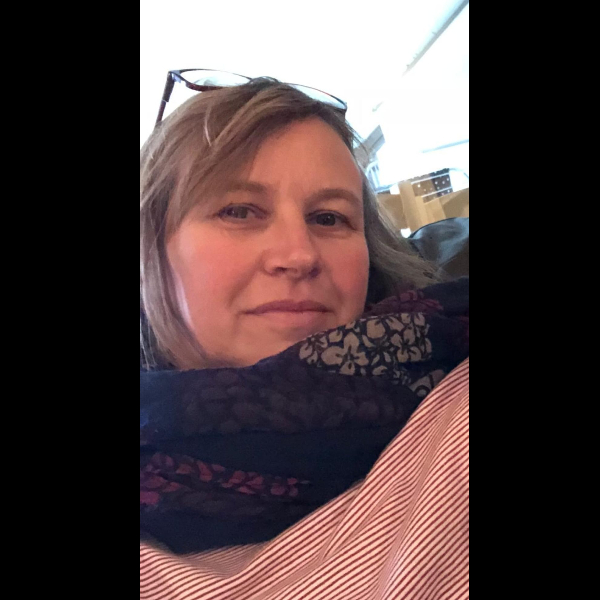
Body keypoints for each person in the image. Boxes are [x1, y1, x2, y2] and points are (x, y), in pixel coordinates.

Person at [140, 75, 469, 598]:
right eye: (239, 211)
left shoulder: (452, 396)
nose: (299, 255)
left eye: (329, 218)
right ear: (151, 251)